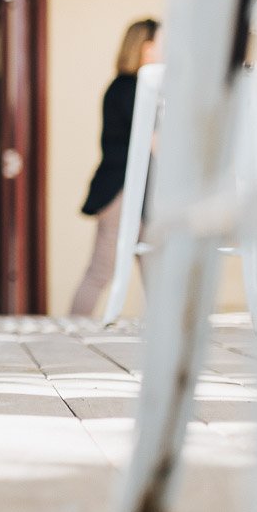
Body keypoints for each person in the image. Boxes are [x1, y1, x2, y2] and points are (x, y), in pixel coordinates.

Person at [69, 18, 162, 316]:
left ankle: (167, 335)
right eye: (161, 43)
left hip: (137, 193)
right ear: (146, 48)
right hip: (123, 193)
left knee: (153, 268)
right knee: (101, 271)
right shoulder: (132, 89)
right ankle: (73, 329)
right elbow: (156, 142)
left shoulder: (128, 88)